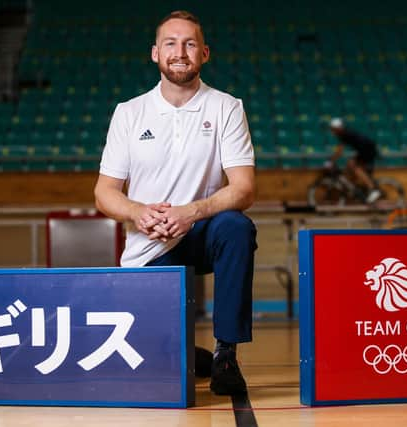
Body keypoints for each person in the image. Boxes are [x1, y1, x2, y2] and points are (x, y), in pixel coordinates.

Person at [93, 10, 257, 396]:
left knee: (236, 226)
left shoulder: (226, 107)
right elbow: (104, 193)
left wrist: (190, 212)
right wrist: (137, 211)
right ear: (155, 53)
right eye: (170, 43)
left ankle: (226, 353)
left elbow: (245, 189)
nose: (179, 51)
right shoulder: (129, 113)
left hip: (203, 232)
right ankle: (190, 354)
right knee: (156, 363)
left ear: (205, 53)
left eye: (189, 44)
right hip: (150, 242)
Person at [328, 117, 381, 204]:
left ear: (338, 128)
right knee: (350, 164)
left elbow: (339, 152)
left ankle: (373, 189)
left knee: (355, 167)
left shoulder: (344, 134)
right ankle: (355, 186)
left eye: (333, 129)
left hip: (367, 149)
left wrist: (331, 161)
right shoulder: (344, 133)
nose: (332, 132)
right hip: (364, 149)